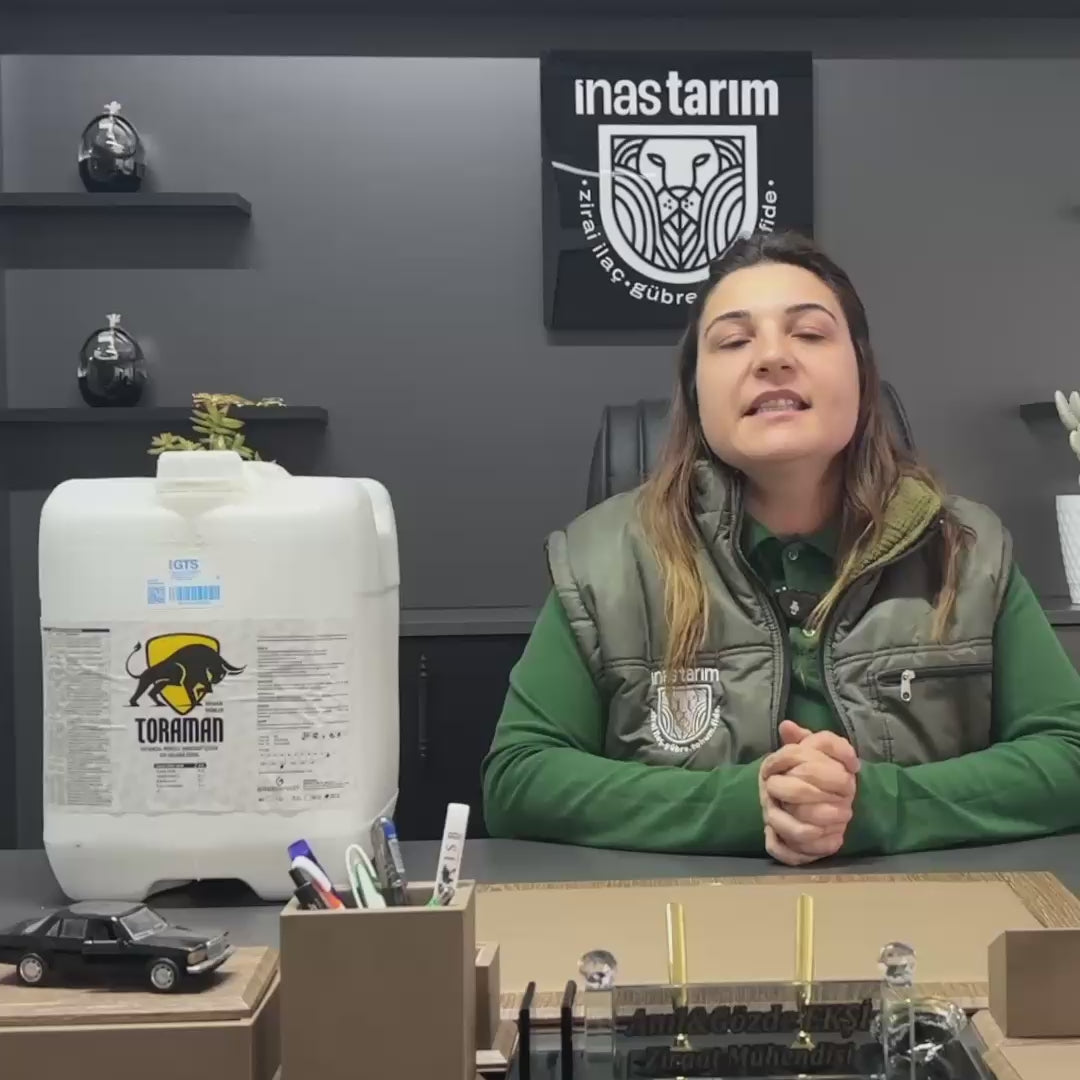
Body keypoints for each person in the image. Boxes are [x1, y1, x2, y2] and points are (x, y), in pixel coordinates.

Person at [481, 229, 1080, 866]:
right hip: (685, 920)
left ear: (862, 374)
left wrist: (876, 805)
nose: (772, 357)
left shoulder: (966, 548)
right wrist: (749, 804)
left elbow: (1069, 753)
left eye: (810, 333)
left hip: (927, 916)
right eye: (734, 341)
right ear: (694, 391)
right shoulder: (602, 562)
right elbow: (520, 778)